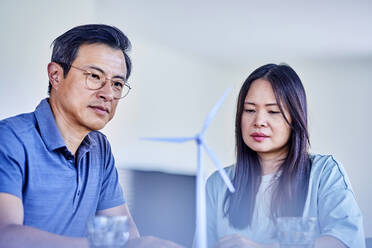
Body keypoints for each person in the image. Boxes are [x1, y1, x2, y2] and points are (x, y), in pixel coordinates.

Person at [0, 24, 183, 248]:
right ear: (56, 75)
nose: (107, 94)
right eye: (95, 76)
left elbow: (125, 236)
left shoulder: (99, 148)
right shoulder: (9, 138)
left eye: (117, 84)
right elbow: (4, 235)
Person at [205, 64, 365, 248]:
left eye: (273, 111)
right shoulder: (218, 183)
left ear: (295, 119)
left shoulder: (324, 173)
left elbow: (346, 241)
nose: (259, 122)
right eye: (249, 110)